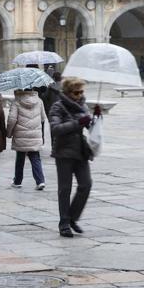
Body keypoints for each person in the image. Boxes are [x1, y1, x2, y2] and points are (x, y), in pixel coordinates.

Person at [49, 77, 95, 238]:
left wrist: (94, 119)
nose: (80, 95)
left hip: (81, 151)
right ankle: (64, 223)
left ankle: (73, 218)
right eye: (77, 92)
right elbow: (55, 129)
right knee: (65, 189)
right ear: (68, 92)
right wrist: (78, 123)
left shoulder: (83, 105)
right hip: (64, 152)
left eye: (82, 91)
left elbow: (88, 126)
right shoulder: (58, 106)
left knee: (86, 184)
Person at [7, 88, 46, 190]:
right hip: (35, 133)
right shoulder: (39, 100)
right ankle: (40, 181)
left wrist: (9, 133)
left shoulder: (17, 102)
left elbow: (12, 119)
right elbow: (42, 118)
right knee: (35, 157)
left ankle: (17, 181)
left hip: (21, 134)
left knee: (20, 158)